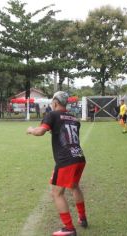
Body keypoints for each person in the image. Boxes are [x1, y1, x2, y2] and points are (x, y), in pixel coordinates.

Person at [26, 91, 87, 236]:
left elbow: (41, 132)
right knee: (74, 186)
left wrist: (31, 130)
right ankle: (82, 218)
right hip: (79, 156)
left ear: (55, 102)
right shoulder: (74, 118)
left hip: (66, 160)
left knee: (57, 193)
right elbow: (64, 131)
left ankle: (69, 228)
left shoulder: (52, 114)